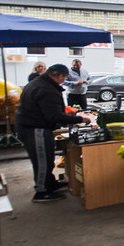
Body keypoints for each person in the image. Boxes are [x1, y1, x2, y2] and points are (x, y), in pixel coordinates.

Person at [15, 63, 90, 203]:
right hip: (35, 128)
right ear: (59, 76)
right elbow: (54, 115)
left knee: (47, 159)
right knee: (42, 160)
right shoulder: (46, 89)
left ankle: (50, 183)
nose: (64, 81)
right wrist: (80, 119)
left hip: (34, 126)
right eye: (64, 78)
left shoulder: (39, 82)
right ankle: (42, 192)